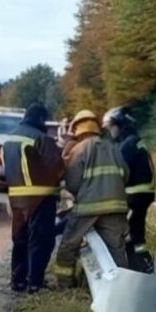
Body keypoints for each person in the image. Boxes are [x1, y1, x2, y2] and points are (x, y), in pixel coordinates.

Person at [52, 109, 129, 288]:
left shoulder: (79, 149)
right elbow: (125, 174)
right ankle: (118, 287)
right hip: (116, 206)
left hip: (88, 206)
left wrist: (81, 192)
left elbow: (72, 181)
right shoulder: (113, 147)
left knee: (69, 244)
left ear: (77, 129)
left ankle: (65, 284)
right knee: (115, 248)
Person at [0, 103, 64, 293]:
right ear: (41, 119)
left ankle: (17, 280)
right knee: (40, 240)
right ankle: (34, 282)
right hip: (41, 197)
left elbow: (4, 171)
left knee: (20, 239)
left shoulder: (9, 139)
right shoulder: (41, 138)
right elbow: (58, 167)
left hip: (17, 198)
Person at [102, 107, 156, 272]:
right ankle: (143, 267)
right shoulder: (134, 141)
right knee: (137, 235)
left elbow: (116, 172)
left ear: (119, 125)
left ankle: (139, 269)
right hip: (141, 195)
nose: (110, 131)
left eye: (111, 127)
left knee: (128, 235)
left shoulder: (127, 145)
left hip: (134, 196)